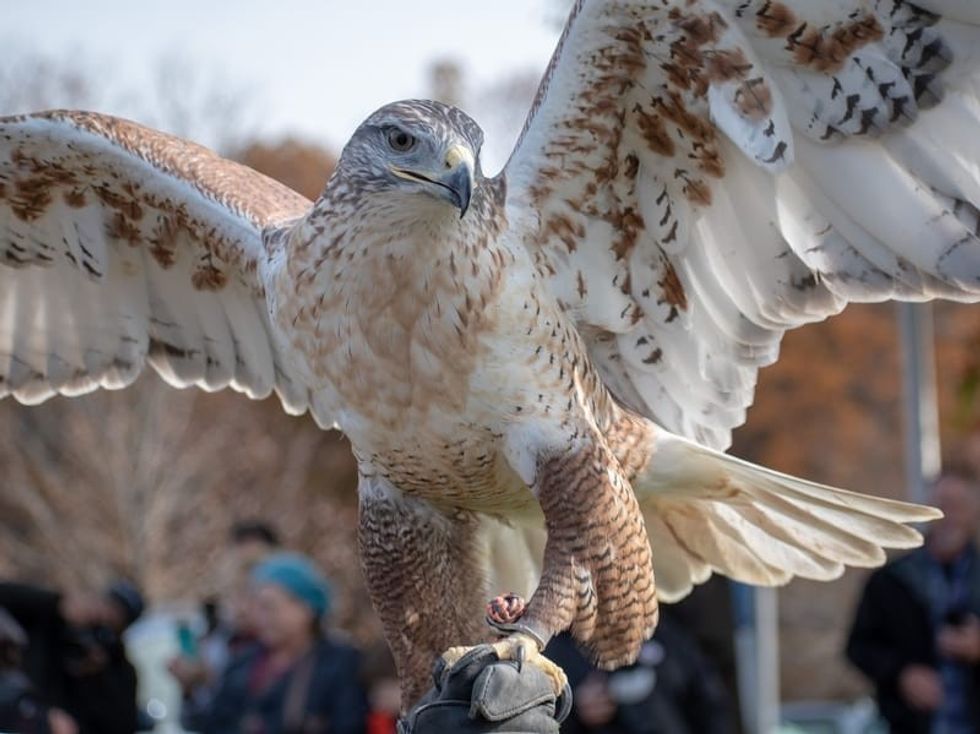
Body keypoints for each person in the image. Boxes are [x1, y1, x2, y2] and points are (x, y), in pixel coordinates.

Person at [847, 466, 980, 734]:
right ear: (928, 509)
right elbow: (859, 647)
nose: (949, 516)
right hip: (911, 724)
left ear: (974, 511)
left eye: (958, 505)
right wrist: (902, 673)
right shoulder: (891, 580)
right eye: (942, 506)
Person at [191, 552, 368, 734]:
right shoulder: (242, 662)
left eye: (270, 608)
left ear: (306, 609)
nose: (262, 618)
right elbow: (213, 723)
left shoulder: (339, 664)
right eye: (259, 608)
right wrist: (190, 693)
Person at [544, 610, 733, 734]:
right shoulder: (556, 648)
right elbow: (538, 721)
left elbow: (710, 700)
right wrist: (576, 711)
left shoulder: (660, 630)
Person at [169, 520, 281, 726]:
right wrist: (189, 688)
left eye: (254, 568)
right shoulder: (216, 640)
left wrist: (212, 679)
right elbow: (195, 721)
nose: (246, 586)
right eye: (239, 572)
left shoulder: (292, 645)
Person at [0, 579, 144, 734]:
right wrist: (57, 603)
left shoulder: (119, 669)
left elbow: (123, 725)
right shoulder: (50, 623)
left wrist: (99, 676)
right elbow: (6, 596)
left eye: (116, 618)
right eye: (107, 607)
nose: (105, 618)